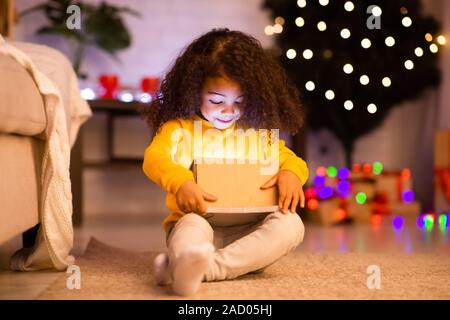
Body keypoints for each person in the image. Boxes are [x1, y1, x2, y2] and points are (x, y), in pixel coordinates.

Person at [142, 28, 309, 296]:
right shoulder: (180, 129)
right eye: (216, 100)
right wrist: (181, 181)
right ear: (194, 90)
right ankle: (192, 263)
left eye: (239, 102)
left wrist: (291, 173)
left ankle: (197, 270)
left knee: (291, 225)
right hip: (197, 222)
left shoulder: (257, 132)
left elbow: (290, 158)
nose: (228, 111)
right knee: (190, 229)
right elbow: (155, 158)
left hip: (251, 232)